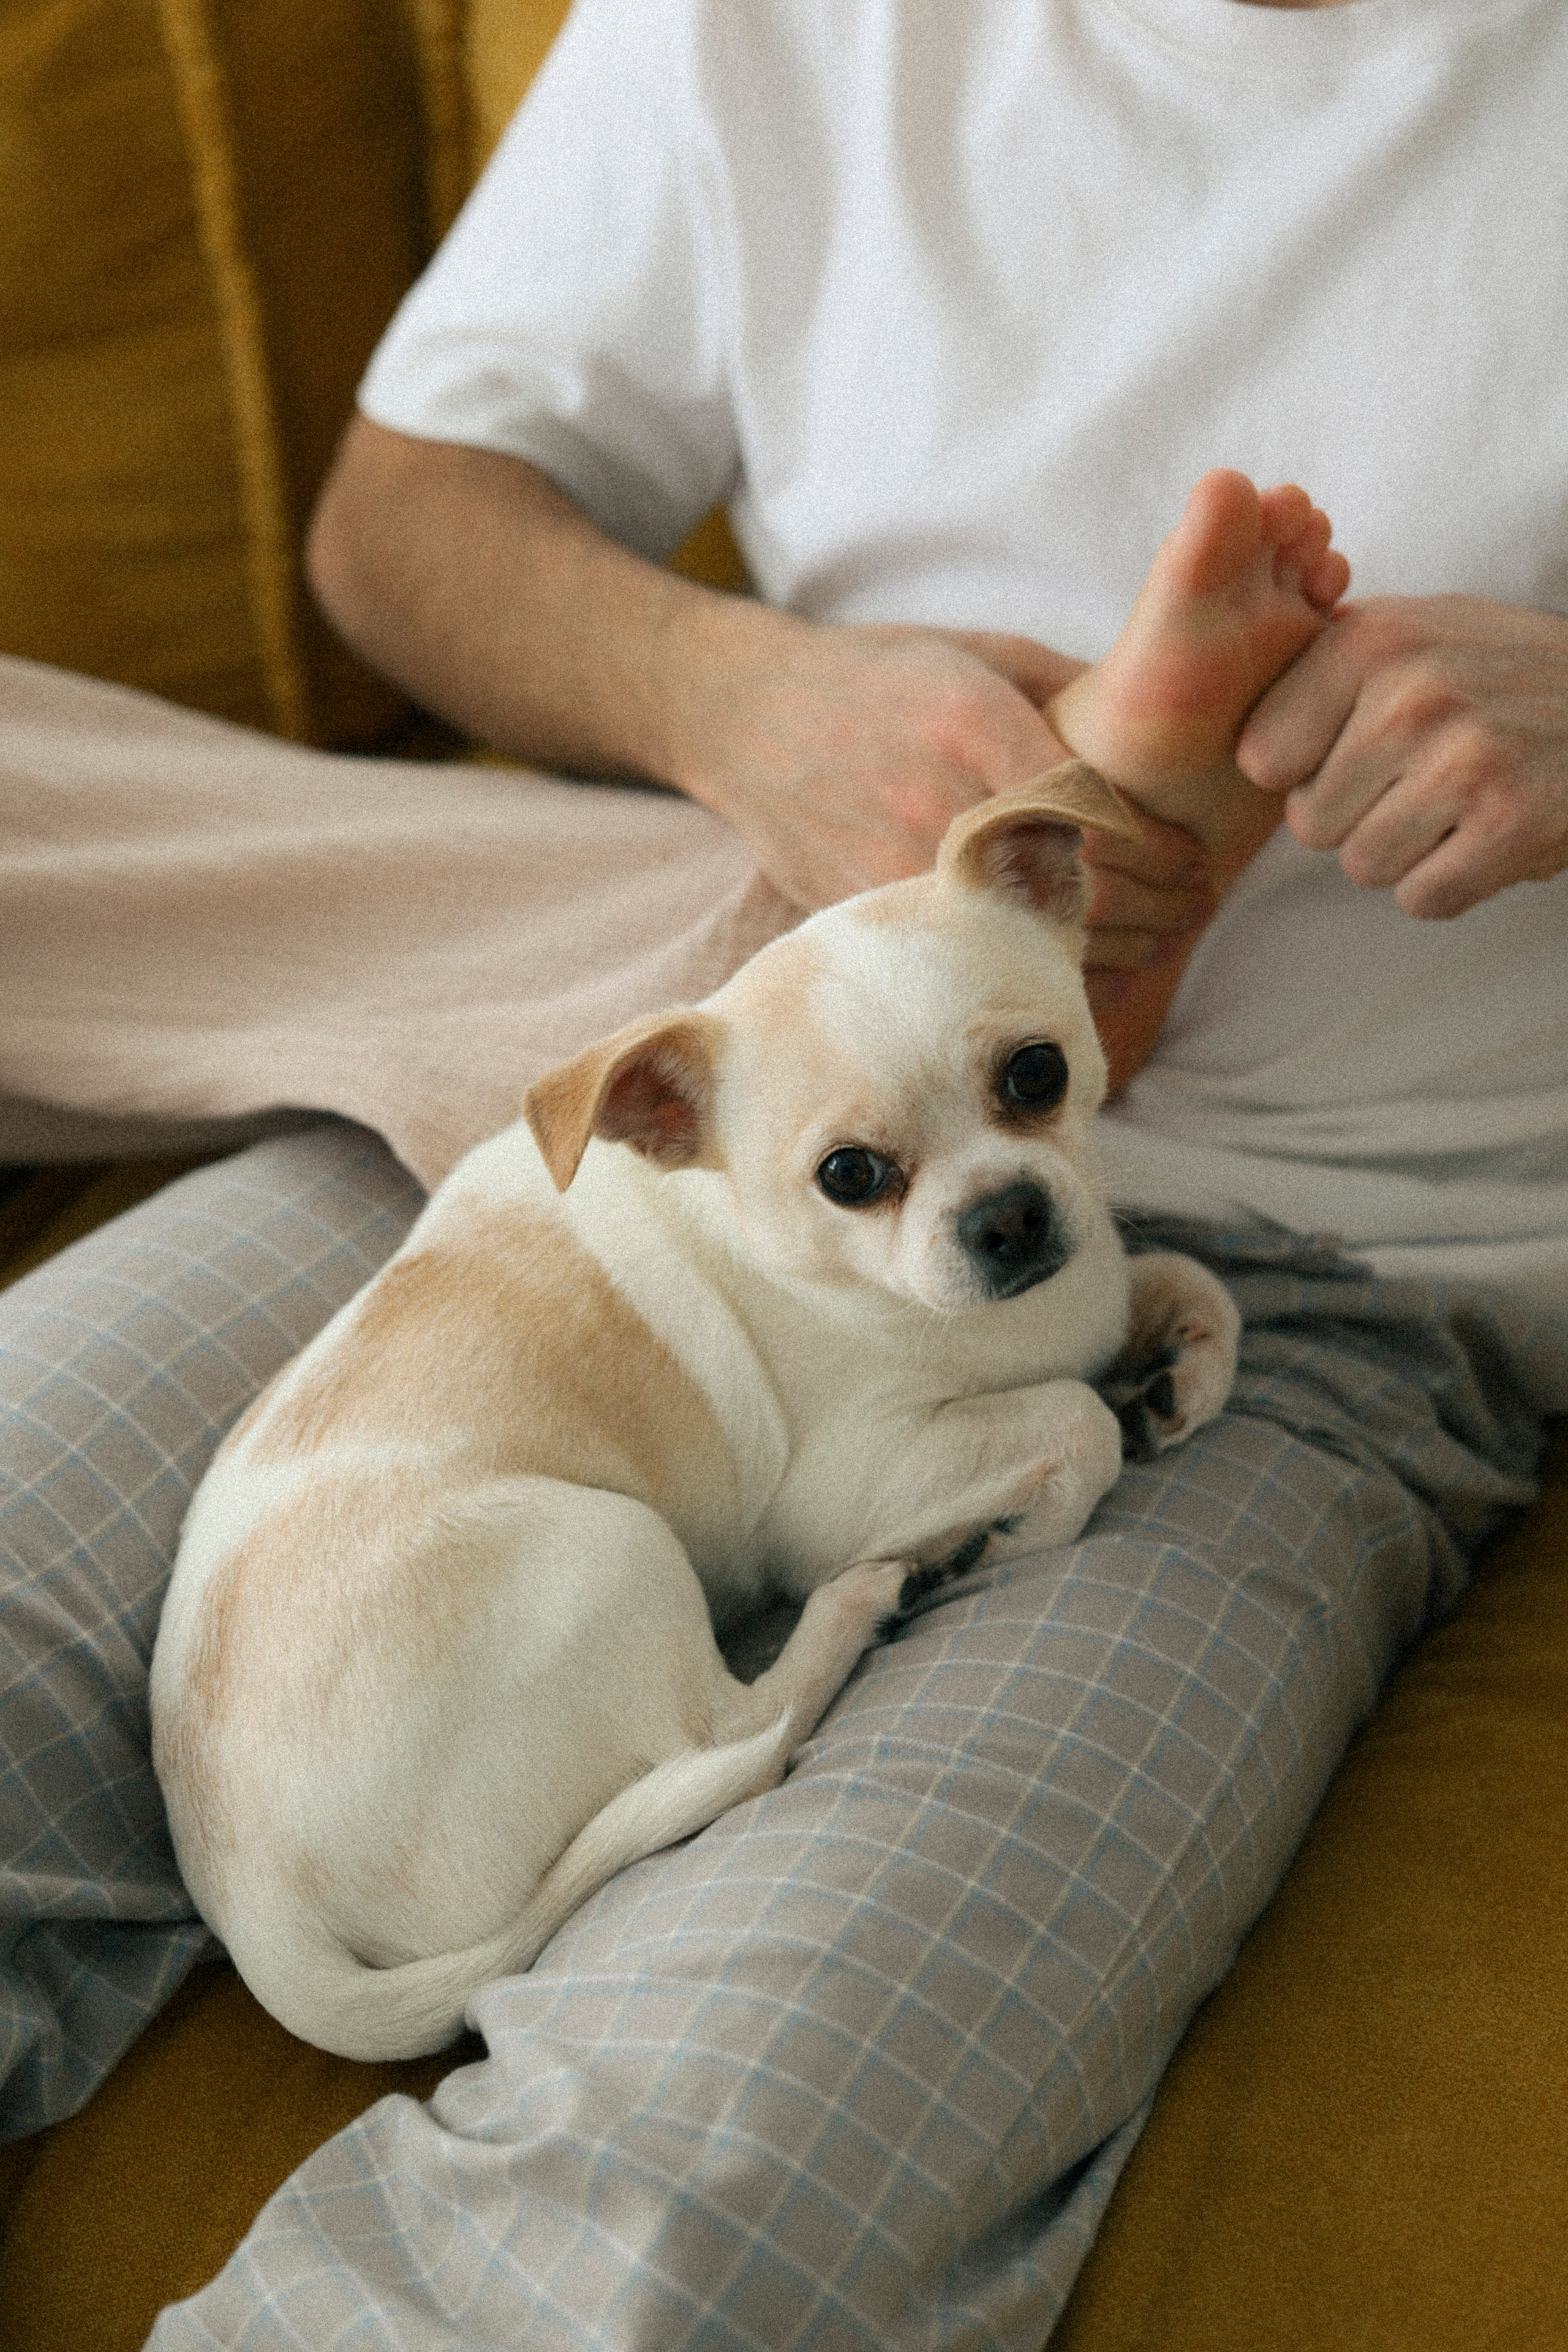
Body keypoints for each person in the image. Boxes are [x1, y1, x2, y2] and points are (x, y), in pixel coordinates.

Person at [2, 0, 1566, 2346]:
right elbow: (399, 523)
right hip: (654, 1079)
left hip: (1318, 1271)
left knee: (672, 2239)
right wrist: (728, 693)